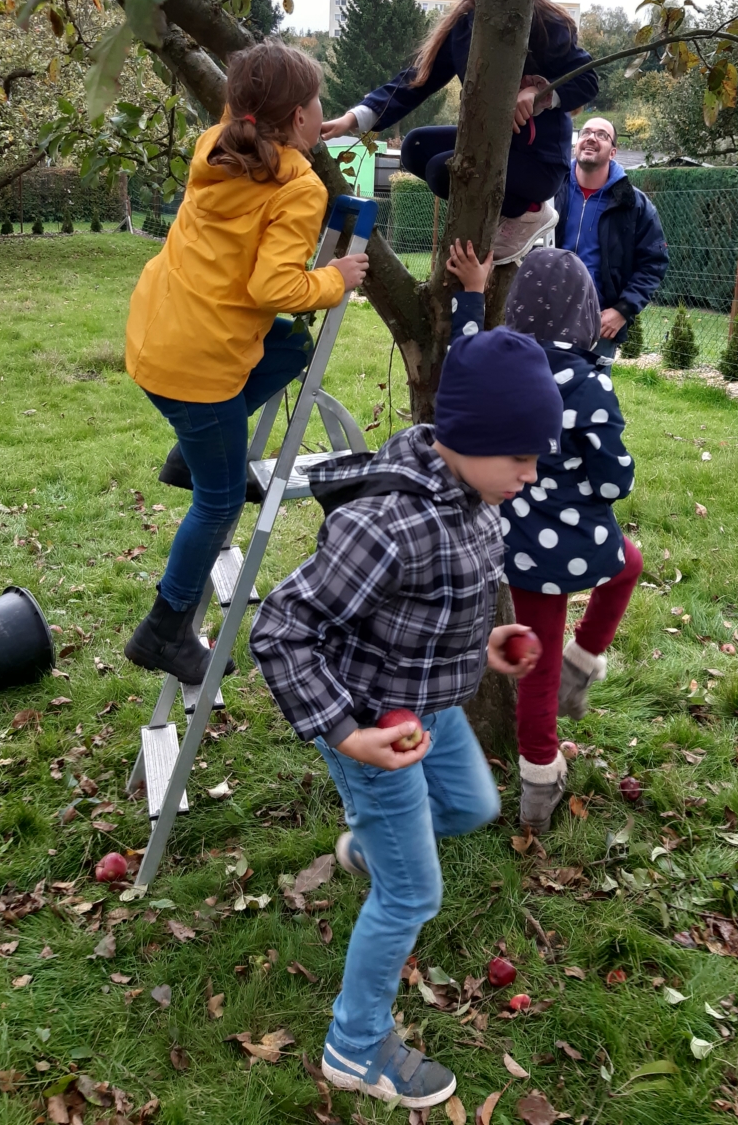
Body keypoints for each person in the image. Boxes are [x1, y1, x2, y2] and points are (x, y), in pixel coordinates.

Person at [249, 328, 564, 1109]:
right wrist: (349, 734)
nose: (532, 473)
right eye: (520, 455)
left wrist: (483, 641)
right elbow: (281, 628)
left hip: (431, 708)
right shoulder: (388, 525)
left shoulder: (480, 500)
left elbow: (434, 608)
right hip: (374, 731)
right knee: (413, 895)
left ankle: (366, 852)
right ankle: (355, 1047)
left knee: (472, 803)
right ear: (470, 437)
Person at [123, 40, 369, 687]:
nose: (324, 113)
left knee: (290, 345)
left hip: (155, 334)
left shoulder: (216, 146)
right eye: (317, 103)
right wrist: (335, 279)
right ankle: (165, 627)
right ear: (297, 118)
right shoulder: (299, 186)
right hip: (198, 365)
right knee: (221, 498)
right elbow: (273, 289)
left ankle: (189, 453)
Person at [447, 239, 642, 833]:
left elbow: (462, 351)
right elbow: (613, 483)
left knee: (537, 660)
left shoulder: (496, 360)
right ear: (586, 314)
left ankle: (572, 682)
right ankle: (541, 771)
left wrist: (473, 294)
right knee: (624, 569)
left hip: (510, 538)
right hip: (569, 537)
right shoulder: (590, 383)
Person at [321, 0, 599, 265]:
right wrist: (352, 120)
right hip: (491, 142)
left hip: (537, 161)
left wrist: (538, 94)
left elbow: (588, 78)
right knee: (415, 147)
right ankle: (494, 213)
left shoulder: (541, 22)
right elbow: (413, 82)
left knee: (443, 171)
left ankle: (528, 212)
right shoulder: (463, 27)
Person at [554, 116, 669, 361]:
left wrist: (622, 311)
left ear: (613, 152)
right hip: (545, 313)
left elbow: (654, 262)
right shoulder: (550, 189)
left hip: (598, 322)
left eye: (602, 135)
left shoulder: (633, 204)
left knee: (588, 397)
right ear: (576, 144)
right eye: (586, 132)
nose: (591, 138)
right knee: (536, 396)